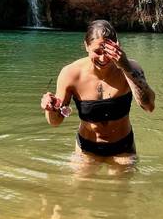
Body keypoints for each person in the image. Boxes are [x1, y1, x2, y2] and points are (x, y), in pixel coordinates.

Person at [40, 20, 156, 161]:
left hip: (123, 147)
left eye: (107, 52)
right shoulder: (71, 73)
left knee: (122, 183)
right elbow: (55, 122)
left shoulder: (131, 68)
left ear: (117, 46)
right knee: (79, 183)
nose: (103, 58)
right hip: (86, 148)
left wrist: (125, 66)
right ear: (86, 46)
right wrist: (50, 108)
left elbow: (149, 106)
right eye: (97, 52)